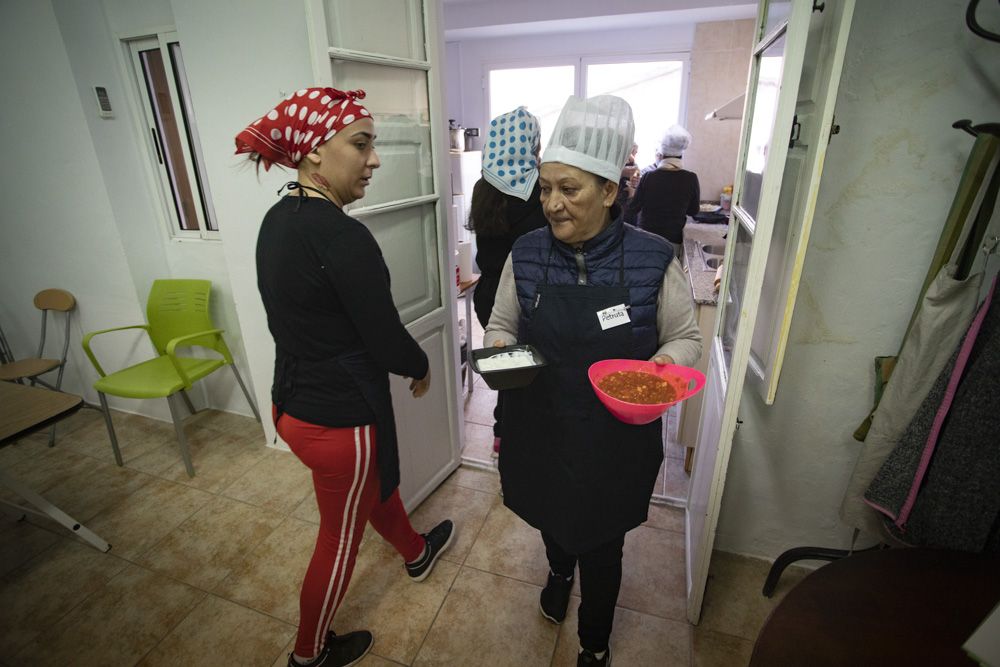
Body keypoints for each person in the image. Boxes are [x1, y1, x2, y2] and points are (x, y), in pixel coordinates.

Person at [237, 87, 454, 667]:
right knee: (338, 539)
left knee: (367, 490)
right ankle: (307, 655)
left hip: (290, 405)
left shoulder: (277, 220)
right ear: (313, 152)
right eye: (361, 144)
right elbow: (382, 335)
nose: (374, 160)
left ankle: (414, 551)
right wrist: (421, 362)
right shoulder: (342, 235)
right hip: (338, 419)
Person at [484, 95, 702, 667]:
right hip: (541, 425)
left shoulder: (654, 259)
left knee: (603, 545)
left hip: (614, 439)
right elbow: (501, 325)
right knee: (554, 520)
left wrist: (657, 370)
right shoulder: (526, 252)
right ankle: (558, 570)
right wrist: (502, 351)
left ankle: (595, 644)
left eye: (569, 189)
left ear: (608, 191)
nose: (552, 203)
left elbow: (687, 340)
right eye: (545, 187)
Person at [466, 106, 547, 457]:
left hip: (488, 296)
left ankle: (502, 433)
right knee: (533, 372)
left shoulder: (483, 186)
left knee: (507, 366)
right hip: (529, 298)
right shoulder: (539, 189)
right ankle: (523, 436)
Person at [625, 125, 701, 259]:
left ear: (661, 154)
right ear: (681, 154)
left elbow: (633, 208)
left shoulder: (648, 177)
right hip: (672, 241)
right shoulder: (691, 178)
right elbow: (693, 211)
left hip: (646, 239)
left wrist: (632, 193)